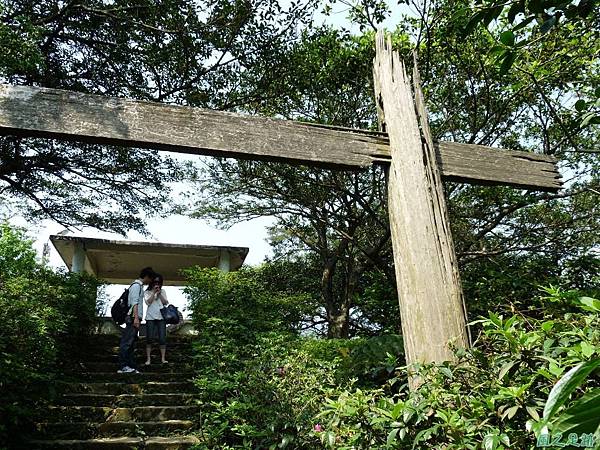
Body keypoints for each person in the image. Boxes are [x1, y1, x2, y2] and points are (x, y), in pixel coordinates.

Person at [118, 267, 155, 373]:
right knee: (127, 342)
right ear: (147, 277)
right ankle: (123, 366)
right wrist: (136, 318)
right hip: (133, 317)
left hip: (134, 317)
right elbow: (134, 303)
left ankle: (129, 365)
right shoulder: (136, 286)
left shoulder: (138, 286)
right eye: (150, 279)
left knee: (131, 343)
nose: (150, 282)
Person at [144, 273, 169, 365]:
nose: (157, 284)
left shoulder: (163, 291)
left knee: (162, 338)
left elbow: (165, 303)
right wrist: (154, 293)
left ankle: (163, 358)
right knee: (149, 338)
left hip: (161, 317)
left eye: (158, 282)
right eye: (155, 282)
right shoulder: (147, 292)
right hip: (150, 317)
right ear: (152, 282)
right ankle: (148, 359)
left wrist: (160, 294)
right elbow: (148, 303)